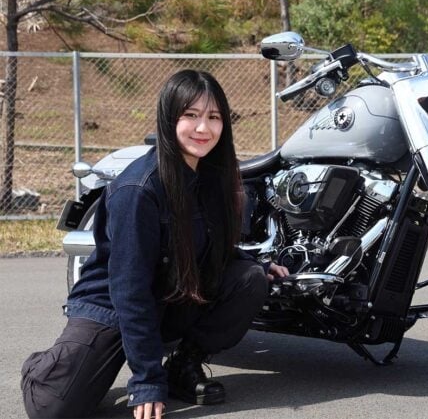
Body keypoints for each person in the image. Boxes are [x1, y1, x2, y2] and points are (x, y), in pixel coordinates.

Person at [20, 69, 289, 419]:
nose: (203, 128)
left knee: (250, 279)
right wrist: (146, 381)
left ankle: (183, 365)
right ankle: (46, 365)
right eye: (190, 115)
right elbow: (129, 289)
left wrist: (257, 265)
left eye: (214, 117)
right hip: (111, 306)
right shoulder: (138, 189)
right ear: (169, 118)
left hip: (170, 295)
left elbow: (210, 244)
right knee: (53, 408)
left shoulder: (214, 177)